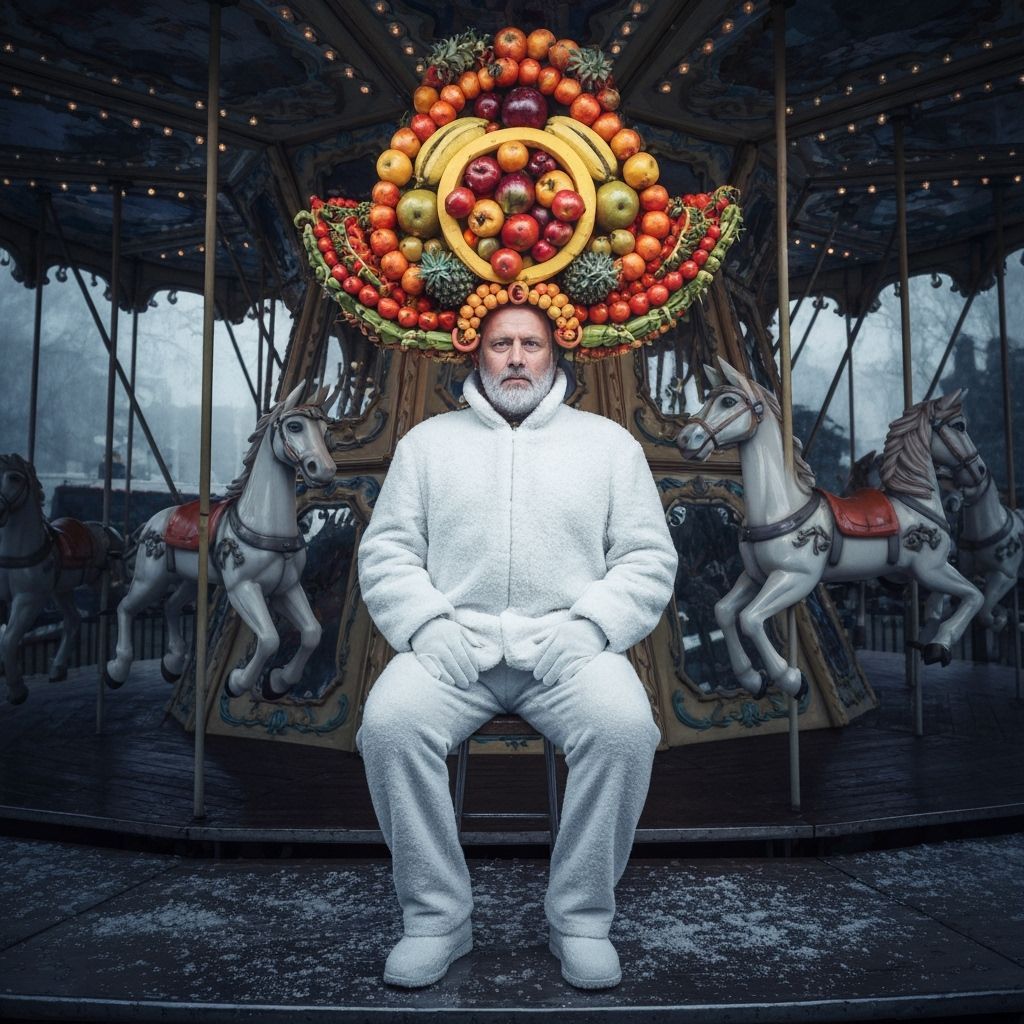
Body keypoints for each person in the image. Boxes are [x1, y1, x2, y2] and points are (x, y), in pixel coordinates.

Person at [355, 301, 678, 990]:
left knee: (624, 728)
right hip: (453, 652)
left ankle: (582, 918)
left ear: (554, 351)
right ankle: (437, 918)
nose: (515, 357)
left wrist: (593, 626)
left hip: (568, 652)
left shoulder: (609, 444)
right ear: (477, 352)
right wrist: (425, 625)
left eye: (530, 342)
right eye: (501, 342)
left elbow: (648, 558)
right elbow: (386, 552)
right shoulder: (427, 443)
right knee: (389, 724)